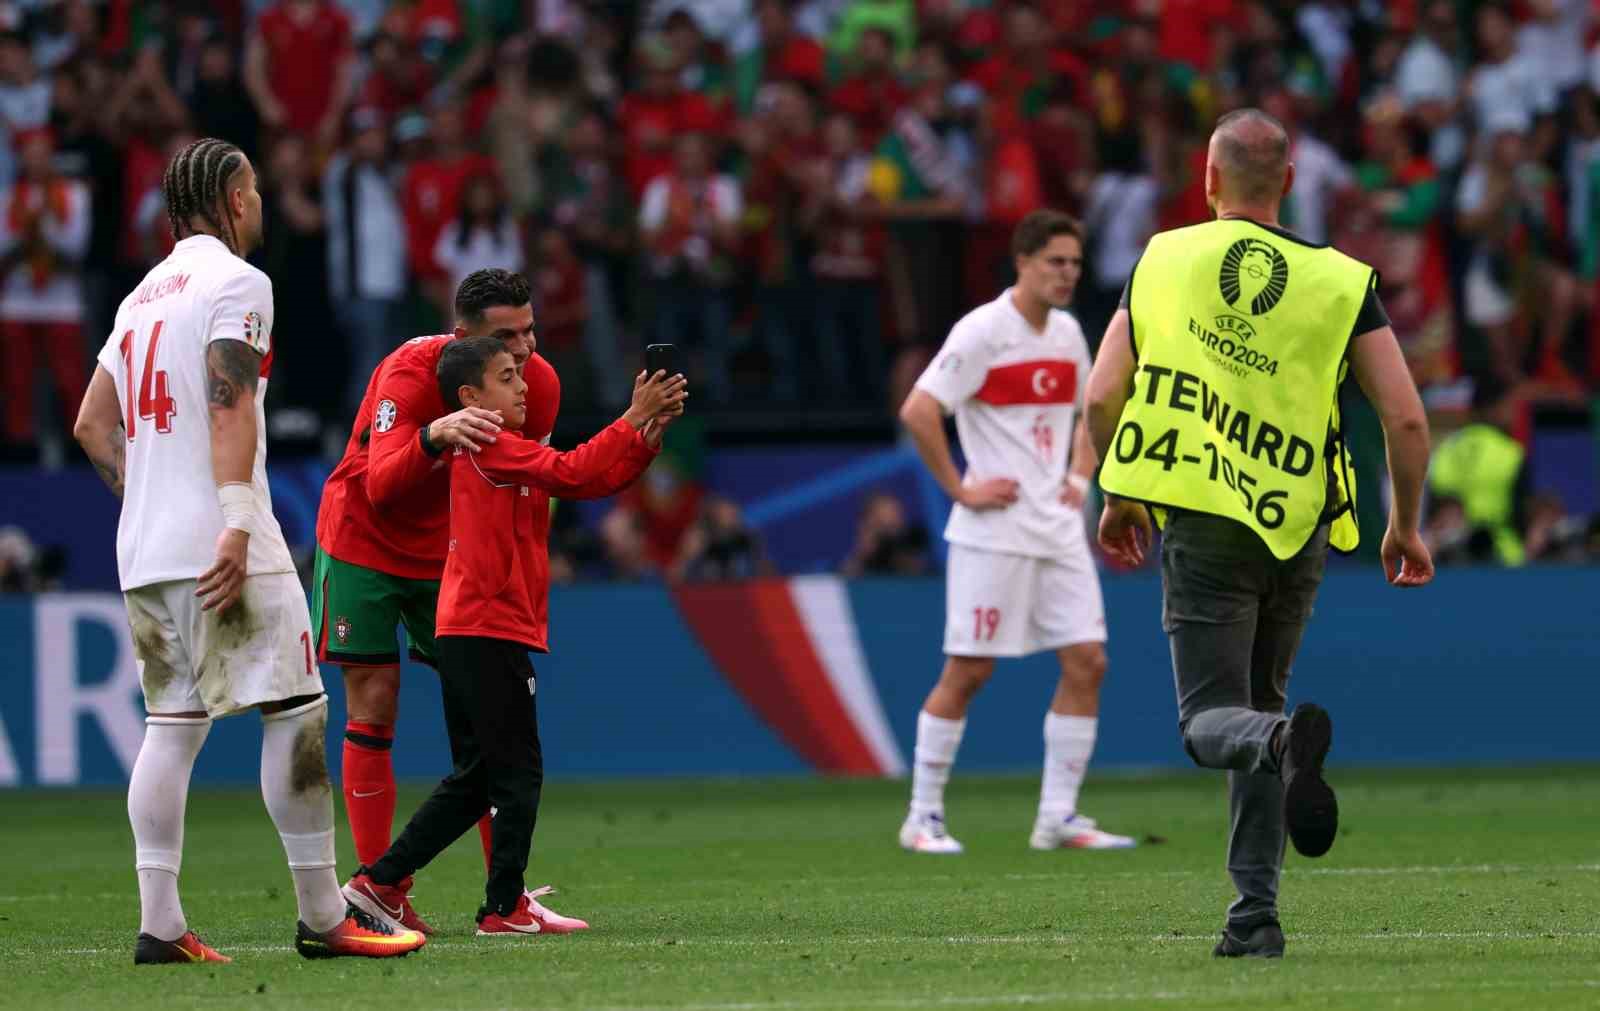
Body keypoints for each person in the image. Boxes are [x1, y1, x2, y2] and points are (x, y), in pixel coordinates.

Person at [1086, 108, 1434, 959]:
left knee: (1215, 720)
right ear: (1287, 180)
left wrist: (1121, 494)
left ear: (1207, 179)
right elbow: (1408, 420)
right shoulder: (1343, 279)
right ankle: (1254, 912)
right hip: (1298, 528)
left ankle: (1282, 749)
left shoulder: (1163, 259)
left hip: (1203, 521)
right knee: (1260, 703)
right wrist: (1406, 526)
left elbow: (1100, 397)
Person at [69, 137, 425, 964]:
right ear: (233, 200)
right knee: (296, 710)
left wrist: (148, 495)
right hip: (226, 540)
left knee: (170, 726)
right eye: (256, 190)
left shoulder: (136, 299)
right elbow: (232, 404)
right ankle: (323, 914)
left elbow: (92, 424)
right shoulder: (240, 283)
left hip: (146, 550)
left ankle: (161, 924)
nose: (261, 203)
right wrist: (231, 517)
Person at [312, 268, 667, 932]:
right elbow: (386, 484)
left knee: (486, 757)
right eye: (508, 341)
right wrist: (436, 434)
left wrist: (642, 436)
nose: (527, 354)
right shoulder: (411, 376)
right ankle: (389, 883)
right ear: (464, 342)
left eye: (530, 331)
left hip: (461, 575)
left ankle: (489, 895)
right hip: (373, 542)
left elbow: (549, 482)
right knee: (393, 708)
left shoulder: (534, 388)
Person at [895, 209, 1137, 856]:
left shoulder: (1067, 333)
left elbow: (1094, 408)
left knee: (1089, 659)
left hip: (1056, 524)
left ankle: (1058, 817)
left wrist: (1082, 479)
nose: (1067, 274)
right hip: (993, 528)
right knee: (969, 669)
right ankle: (922, 816)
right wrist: (961, 488)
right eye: (1055, 261)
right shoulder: (982, 331)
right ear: (1023, 263)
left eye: (1075, 263)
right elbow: (920, 409)